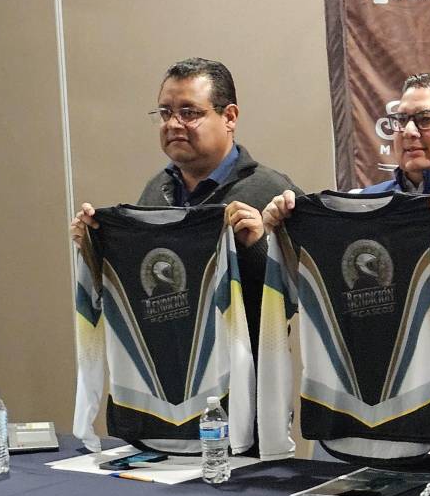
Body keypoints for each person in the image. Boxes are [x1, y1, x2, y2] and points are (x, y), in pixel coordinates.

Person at [263, 72, 430, 472]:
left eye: (425, 119)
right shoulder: (357, 205)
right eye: (399, 120)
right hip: (367, 428)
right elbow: (306, 302)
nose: (408, 132)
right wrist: (283, 241)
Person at [70, 58, 302, 355]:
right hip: (168, 367)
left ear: (229, 117)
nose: (173, 124)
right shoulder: (155, 191)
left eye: (189, 113)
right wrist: (96, 256)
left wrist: (257, 247)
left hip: (244, 373)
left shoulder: (271, 191)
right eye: (165, 112)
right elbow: (138, 294)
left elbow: (306, 296)